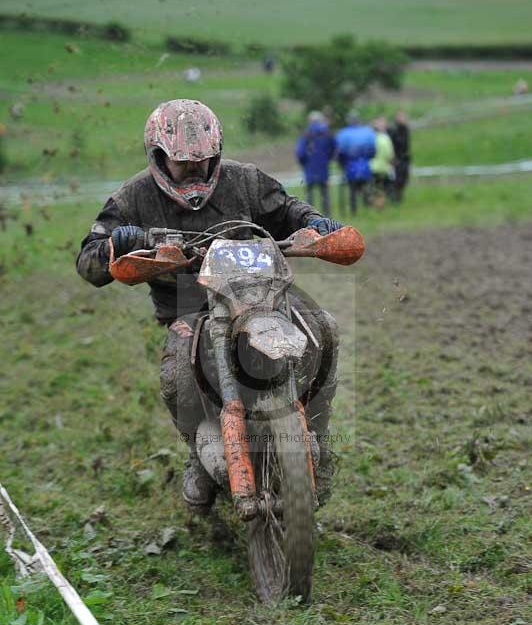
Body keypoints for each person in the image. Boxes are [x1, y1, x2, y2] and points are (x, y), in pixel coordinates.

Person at [76, 99, 343, 514]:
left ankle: (319, 441)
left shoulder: (245, 180)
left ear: (216, 153)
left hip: (261, 295)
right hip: (189, 308)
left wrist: (315, 222)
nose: (196, 170)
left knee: (324, 328)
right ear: (159, 158)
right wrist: (118, 243)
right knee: (176, 375)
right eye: (184, 163)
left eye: (204, 160)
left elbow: (288, 209)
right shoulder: (132, 197)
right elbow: (89, 263)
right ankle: (196, 453)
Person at [295, 111, 336, 214]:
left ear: (310, 121)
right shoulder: (327, 133)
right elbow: (334, 148)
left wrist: (304, 163)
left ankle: (310, 216)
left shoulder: (306, 134)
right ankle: (327, 216)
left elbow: (300, 153)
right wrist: (327, 159)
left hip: (309, 168)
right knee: (325, 193)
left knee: (309, 194)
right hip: (323, 167)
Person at [335, 109, 376, 214]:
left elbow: (340, 153)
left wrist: (342, 164)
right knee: (366, 188)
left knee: (352, 190)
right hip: (365, 166)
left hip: (350, 167)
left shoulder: (343, 134)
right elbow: (373, 151)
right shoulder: (368, 132)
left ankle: (354, 211)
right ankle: (367, 207)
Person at [369, 116, 395, 208]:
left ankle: (372, 204)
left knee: (373, 188)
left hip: (371, 167)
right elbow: (390, 154)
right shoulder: (385, 138)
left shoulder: (370, 138)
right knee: (381, 188)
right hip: (383, 168)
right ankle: (380, 206)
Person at [388, 110, 411, 203]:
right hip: (396, 159)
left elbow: (406, 145)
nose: (403, 119)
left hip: (404, 158)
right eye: (400, 117)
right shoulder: (393, 130)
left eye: (404, 117)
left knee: (404, 180)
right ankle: (394, 199)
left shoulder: (406, 130)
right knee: (396, 180)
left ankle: (399, 198)